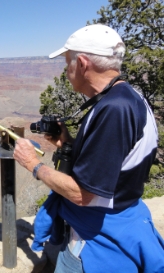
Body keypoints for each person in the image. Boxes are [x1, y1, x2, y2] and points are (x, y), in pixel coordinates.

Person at [13, 24, 164, 272]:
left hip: (95, 241)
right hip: (119, 219)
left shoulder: (114, 109)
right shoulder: (128, 97)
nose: (66, 70)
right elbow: (114, 163)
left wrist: (32, 164)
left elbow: (82, 195)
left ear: (82, 64)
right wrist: (69, 144)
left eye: (67, 63)